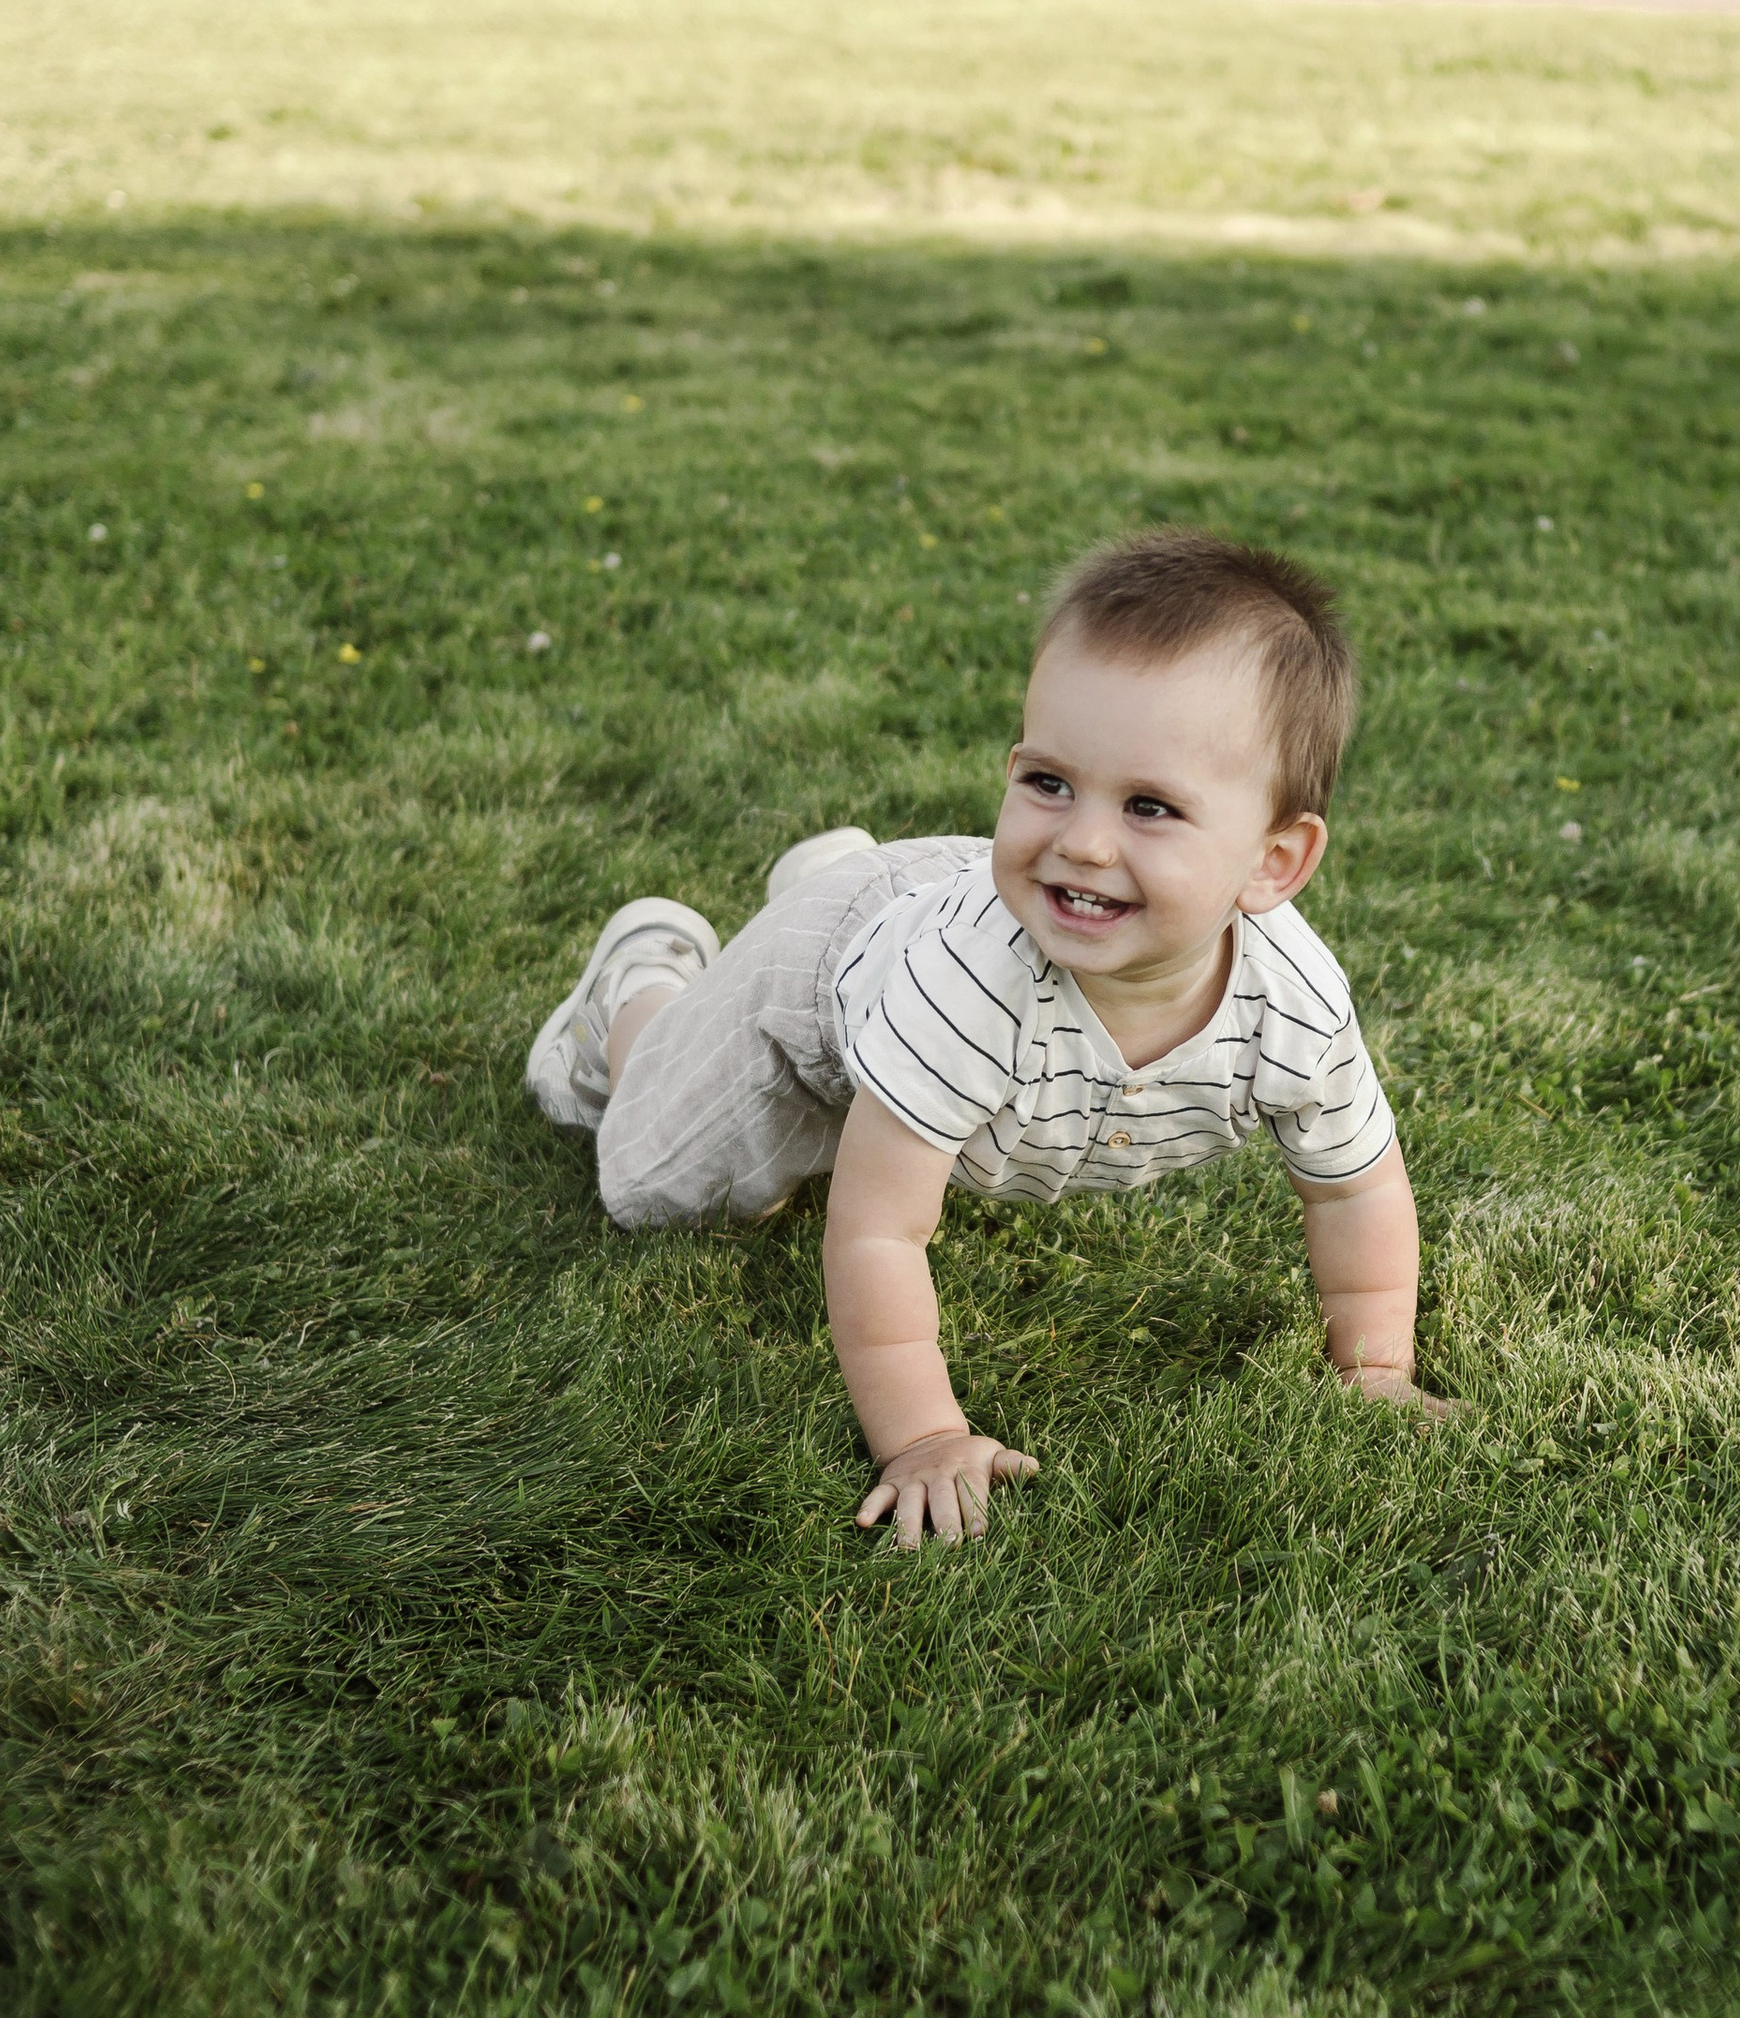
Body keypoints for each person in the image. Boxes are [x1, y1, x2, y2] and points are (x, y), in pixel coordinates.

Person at [525, 530, 1425, 1550]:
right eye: (1047, 783)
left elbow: (1354, 1186)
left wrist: (1373, 1367)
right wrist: (922, 1438)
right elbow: (876, 1230)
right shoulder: (971, 992)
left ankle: (829, 871)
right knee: (656, 1185)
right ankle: (640, 988)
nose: (1081, 839)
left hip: (926, 922)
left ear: (1272, 862)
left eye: (1149, 806)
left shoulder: (1292, 1005)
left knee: (859, 1075)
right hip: (825, 980)